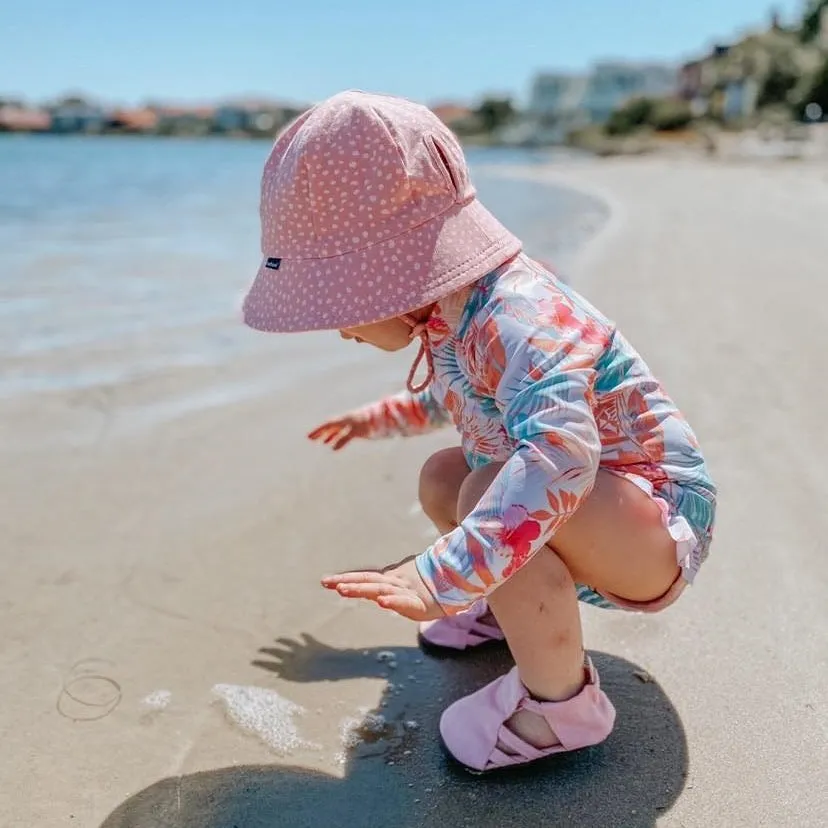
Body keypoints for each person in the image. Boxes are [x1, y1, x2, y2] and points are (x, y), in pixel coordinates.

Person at [242, 90, 717, 774]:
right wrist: (374, 420)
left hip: (655, 529)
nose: (339, 327)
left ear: (388, 275)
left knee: (485, 487)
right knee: (444, 475)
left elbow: (563, 455)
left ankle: (563, 706)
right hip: (593, 513)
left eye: (337, 303)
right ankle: (509, 609)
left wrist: (446, 572)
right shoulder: (452, 311)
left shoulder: (517, 315)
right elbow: (458, 398)